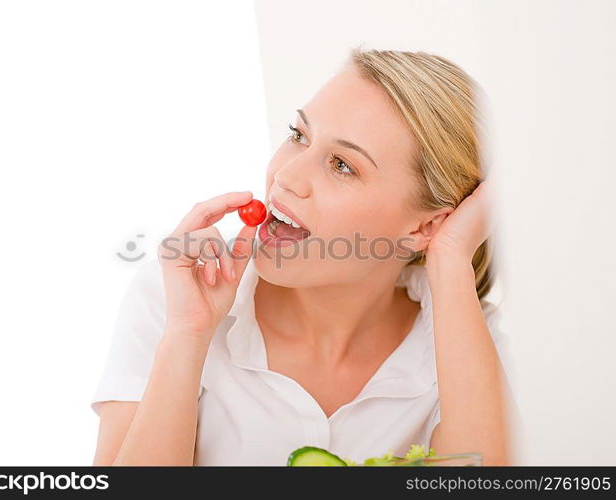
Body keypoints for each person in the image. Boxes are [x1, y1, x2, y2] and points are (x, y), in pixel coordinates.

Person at [90, 48, 516, 466]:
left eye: (342, 165)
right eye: (299, 136)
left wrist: (451, 255)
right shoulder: (172, 298)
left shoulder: (463, 335)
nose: (286, 176)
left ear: (423, 227)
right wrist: (187, 336)